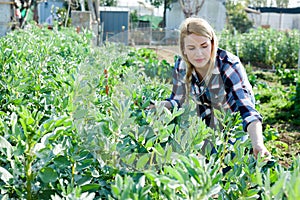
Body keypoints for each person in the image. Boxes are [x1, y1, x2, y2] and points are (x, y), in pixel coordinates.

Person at [148, 17, 271, 159]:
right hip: (204, 124)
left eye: (204, 46)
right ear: (184, 49)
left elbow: (247, 110)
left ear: (212, 44)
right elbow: (178, 99)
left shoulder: (228, 65)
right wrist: (162, 105)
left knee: (228, 166)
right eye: (191, 48)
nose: (198, 53)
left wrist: (258, 144)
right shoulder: (182, 66)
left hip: (231, 126)